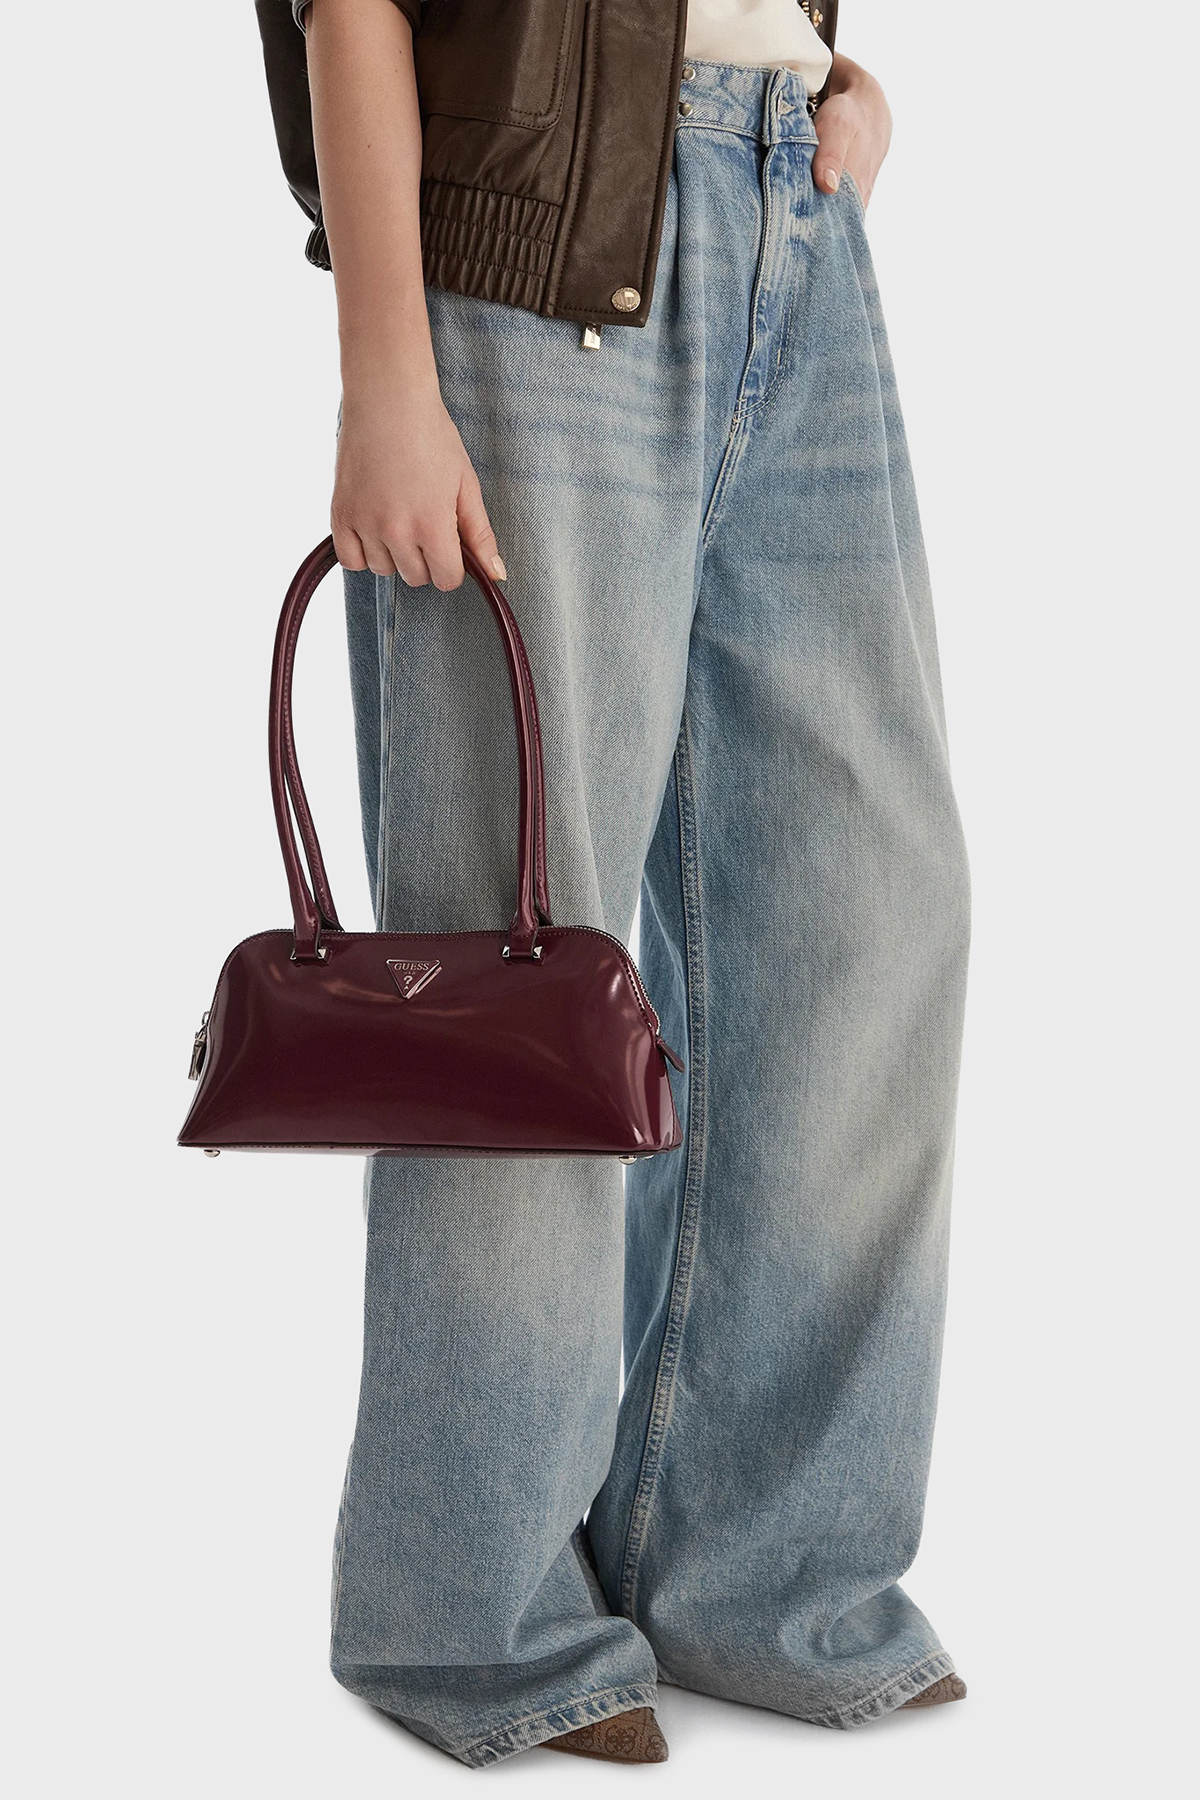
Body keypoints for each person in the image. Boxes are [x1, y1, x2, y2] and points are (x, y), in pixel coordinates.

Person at [255, 0, 971, 1767]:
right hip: (532, 256)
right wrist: (384, 369)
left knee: (867, 918)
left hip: (790, 213)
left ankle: (758, 1570)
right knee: (524, 970)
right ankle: (466, 1607)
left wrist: (822, 81)